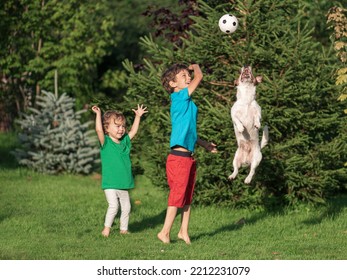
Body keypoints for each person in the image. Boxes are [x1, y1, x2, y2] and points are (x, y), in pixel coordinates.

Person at [157, 63, 217, 245]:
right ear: (173, 83)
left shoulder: (188, 103)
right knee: (177, 195)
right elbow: (199, 77)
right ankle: (164, 232)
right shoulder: (178, 97)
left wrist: (204, 144)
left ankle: (183, 231)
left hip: (188, 157)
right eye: (183, 76)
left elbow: (188, 130)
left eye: (187, 75)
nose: (188, 77)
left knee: (187, 196)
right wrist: (197, 67)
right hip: (178, 158)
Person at [92, 104, 148, 237]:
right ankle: (106, 229)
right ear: (107, 128)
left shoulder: (125, 142)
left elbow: (133, 131)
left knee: (127, 207)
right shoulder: (105, 142)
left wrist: (138, 116)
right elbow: (98, 130)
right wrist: (98, 115)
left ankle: (123, 229)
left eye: (123, 126)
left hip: (124, 183)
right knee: (114, 206)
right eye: (117, 126)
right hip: (110, 183)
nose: (121, 129)